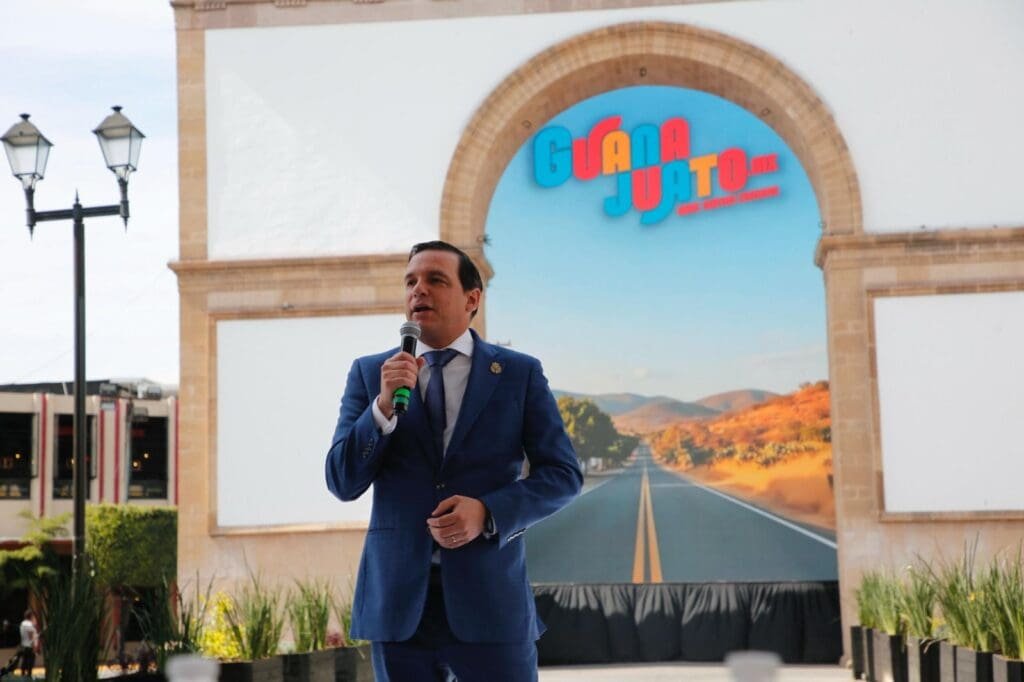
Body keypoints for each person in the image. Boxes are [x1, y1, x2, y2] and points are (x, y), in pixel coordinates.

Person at [326, 240, 582, 681]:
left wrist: (487, 512)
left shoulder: (518, 374)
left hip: (491, 604)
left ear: (472, 299)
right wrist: (381, 408)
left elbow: (563, 475)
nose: (418, 290)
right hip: (398, 608)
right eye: (410, 281)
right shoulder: (371, 374)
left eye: (435, 280)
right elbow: (342, 481)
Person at [17, 610, 37, 679]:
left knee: (24, 661)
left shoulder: (22, 623)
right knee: (30, 662)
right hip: (29, 646)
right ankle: (28, 676)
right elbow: (30, 635)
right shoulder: (29, 624)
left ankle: (23, 675)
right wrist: (34, 646)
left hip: (24, 645)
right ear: (31, 616)